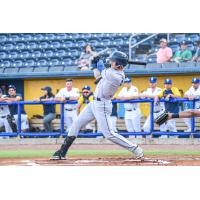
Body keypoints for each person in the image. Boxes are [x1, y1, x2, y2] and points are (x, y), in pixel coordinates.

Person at [50, 51, 144, 160]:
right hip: (94, 102)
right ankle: (62, 151)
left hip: (103, 105)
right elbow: (98, 76)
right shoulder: (111, 71)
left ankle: (135, 149)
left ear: (119, 65)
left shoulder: (116, 75)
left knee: (108, 134)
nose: (111, 61)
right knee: (76, 124)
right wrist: (94, 66)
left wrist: (98, 62)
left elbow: (102, 68)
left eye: (113, 61)